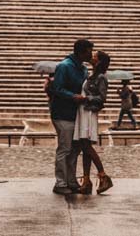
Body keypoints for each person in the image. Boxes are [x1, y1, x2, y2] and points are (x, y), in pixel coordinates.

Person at [48, 38, 92, 195]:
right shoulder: (64, 66)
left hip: (77, 114)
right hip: (62, 113)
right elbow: (57, 88)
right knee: (65, 148)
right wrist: (72, 96)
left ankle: (71, 181)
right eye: (89, 51)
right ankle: (60, 182)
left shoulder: (83, 69)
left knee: (74, 149)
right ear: (81, 51)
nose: (91, 54)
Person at [75, 50, 114, 194]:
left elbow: (102, 98)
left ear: (99, 61)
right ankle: (86, 181)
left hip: (89, 112)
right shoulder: (91, 75)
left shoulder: (102, 77)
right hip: (84, 111)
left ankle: (103, 175)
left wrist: (86, 99)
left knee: (86, 145)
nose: (91, 57)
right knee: (85, 148)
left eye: (95, 56)